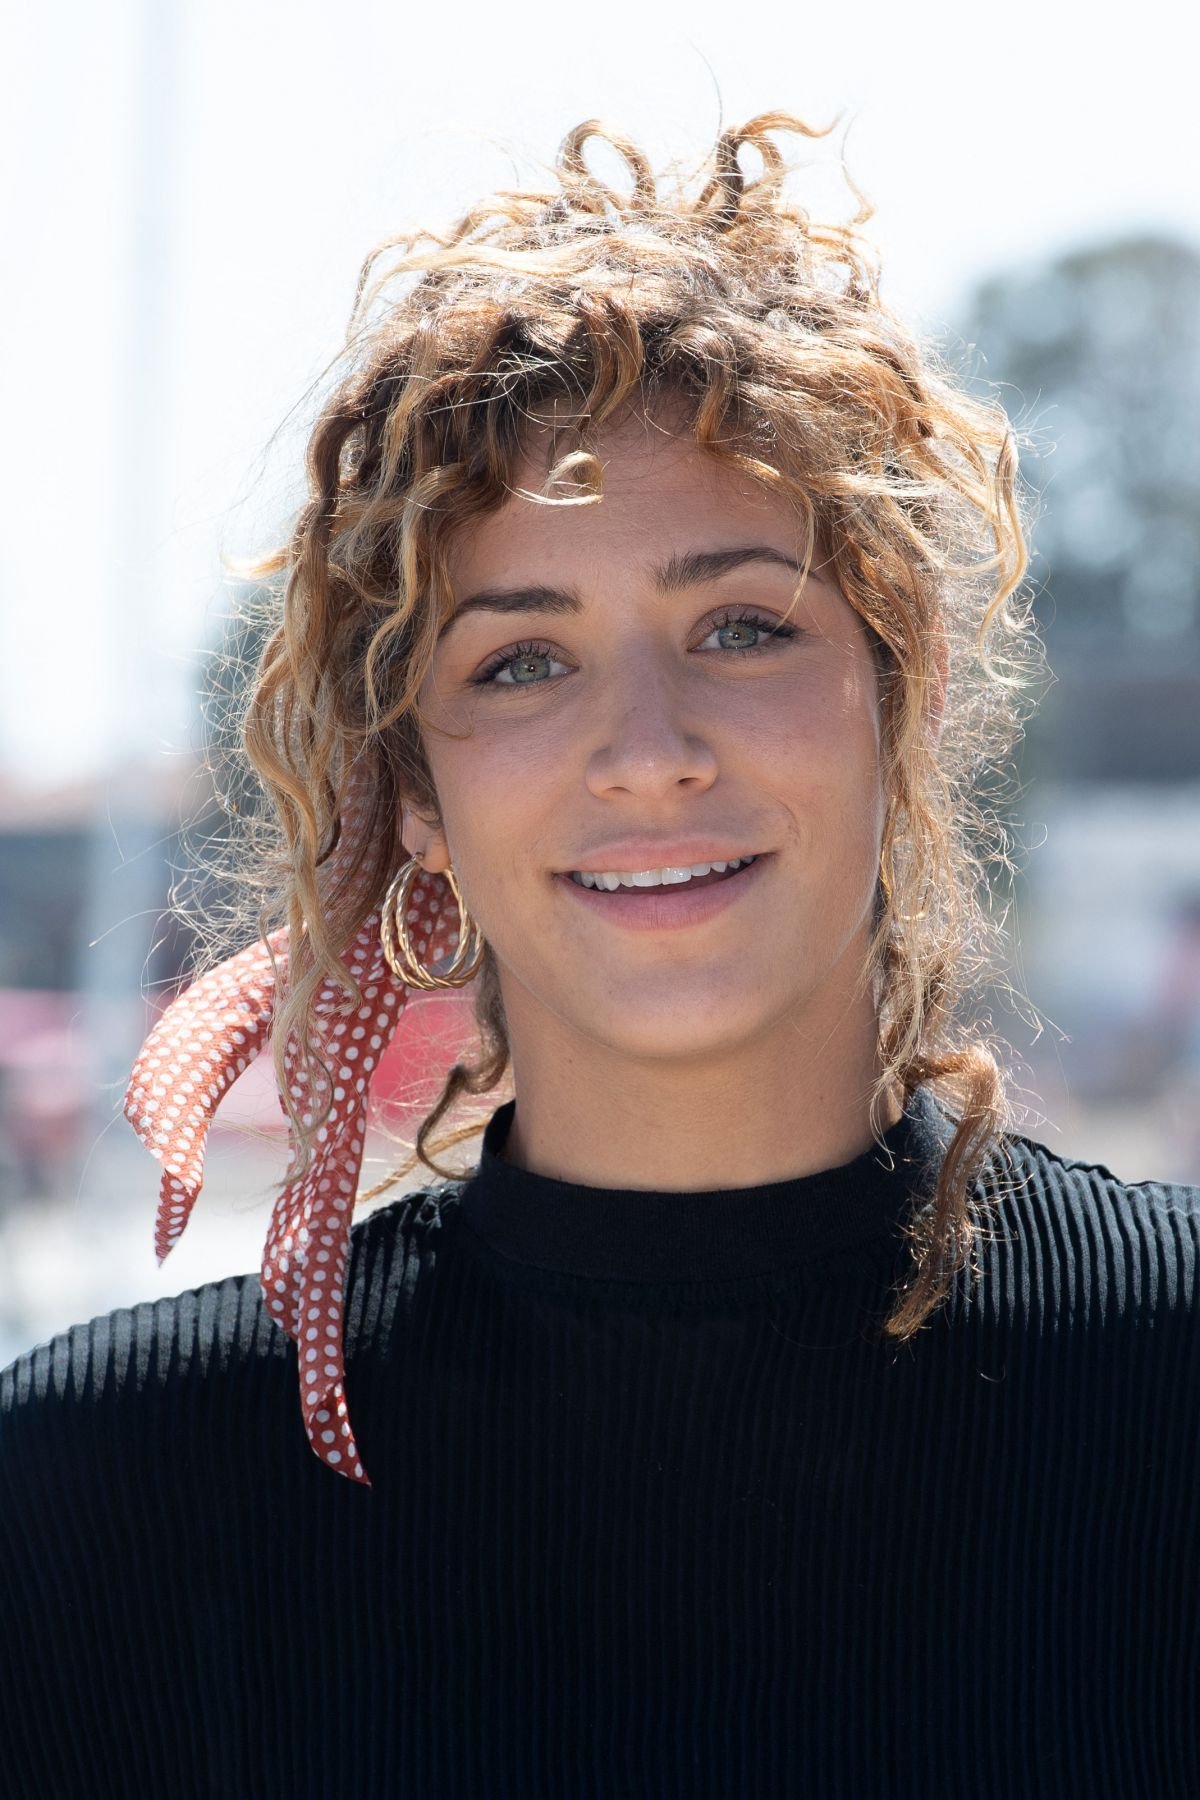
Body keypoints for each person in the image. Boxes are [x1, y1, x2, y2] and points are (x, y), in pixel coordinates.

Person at [2, 112, 1197, 1798]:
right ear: (417, 794)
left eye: (742, 627)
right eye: (520, 662)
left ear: (903, 691)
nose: (647, 752)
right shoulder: (98, 1503)